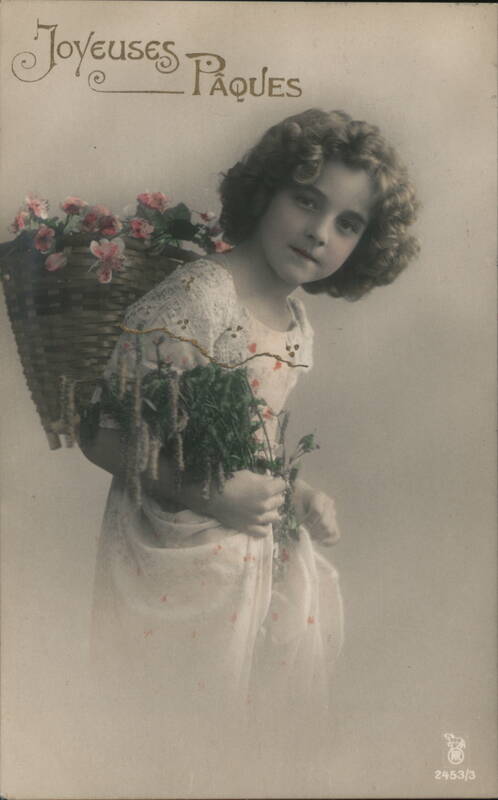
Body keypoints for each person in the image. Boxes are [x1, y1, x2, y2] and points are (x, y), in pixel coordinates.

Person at [81, 108, 419, 791]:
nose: (320, 233)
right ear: (265, 191)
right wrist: (210, 494)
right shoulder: (199, 298)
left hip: (250, 558)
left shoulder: (296, 322)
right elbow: (100, 431)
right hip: (170, 551)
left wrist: (296, 493)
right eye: (307, 200)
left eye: (348, 224)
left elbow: (253, 443)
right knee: (170, 742)